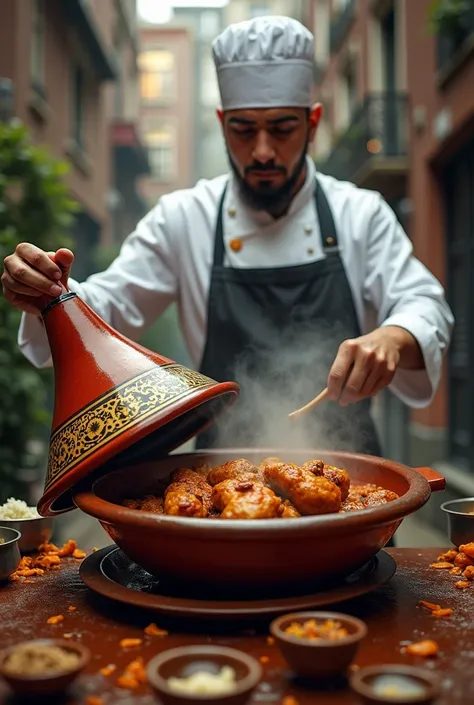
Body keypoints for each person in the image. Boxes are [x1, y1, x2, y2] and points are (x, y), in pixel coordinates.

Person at [2, 16, 453, 457]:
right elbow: (109, 305)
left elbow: (425, 306)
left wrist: (393, 338)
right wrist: (49, 293)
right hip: (218, 483)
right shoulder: (184, 217)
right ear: (221, 123)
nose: (261, 151)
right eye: (242, 130)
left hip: (351, 475)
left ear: (313, 123)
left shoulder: (360, 214)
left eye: (281, 129)